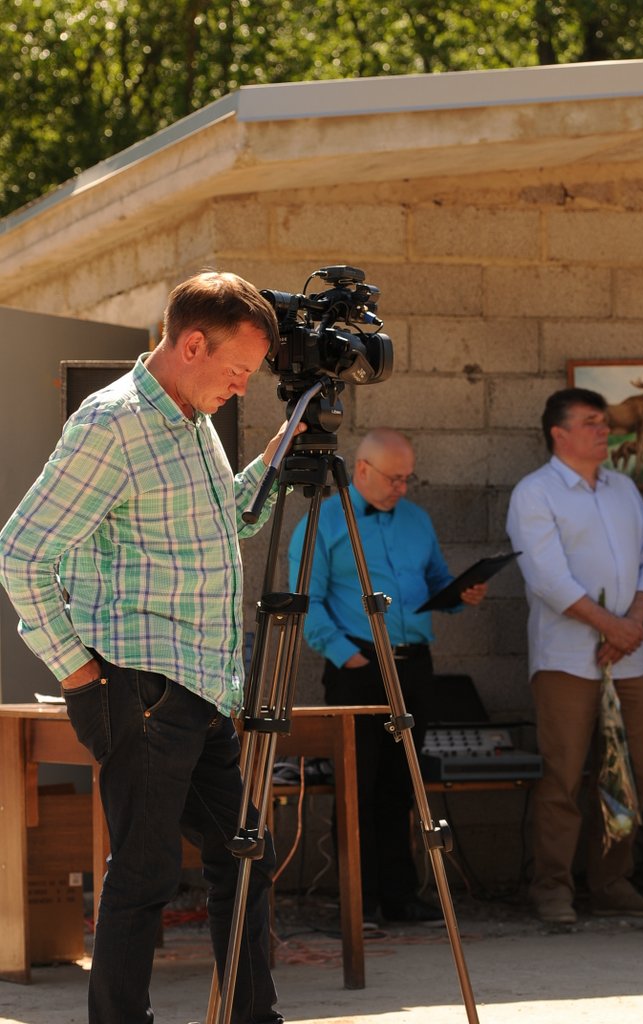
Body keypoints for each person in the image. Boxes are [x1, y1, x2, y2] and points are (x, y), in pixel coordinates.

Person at [0, 271, 304, 1024]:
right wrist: (79, 673)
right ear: (193, 344)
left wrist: (277, 456)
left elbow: (226, 523)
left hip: (202, 688)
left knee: (246, 855)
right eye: (238, 370)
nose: (242, 385)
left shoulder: (193, 419)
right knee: (144, 874)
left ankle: (251, 1017)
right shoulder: (112, 424)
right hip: (137, 690)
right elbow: (20, 554)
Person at [288, 426, 486, 927]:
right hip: (358, 666)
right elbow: (305, 602)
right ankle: (361, 901)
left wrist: (460, 594)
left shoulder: (417, 519)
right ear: (362, 470)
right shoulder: (323, 521)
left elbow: (436, 581)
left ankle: (400, 896)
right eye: (394, 478)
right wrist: (347, 657)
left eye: (407, 478)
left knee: (403, 785)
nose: (402, 487)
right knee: (358, 785)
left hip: (414, 665)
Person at [506, 387, 643, 924]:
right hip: (566, 661)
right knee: (563, 775)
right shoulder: (536, 493)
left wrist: (633, 623)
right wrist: (613, 626)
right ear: (560, 433)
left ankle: (612, 881)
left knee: (630, 772)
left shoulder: (623, 488)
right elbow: (548, 579)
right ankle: (552, 888)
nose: (605, 430)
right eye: (592, 423)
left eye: (605, 422)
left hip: (629, 657)